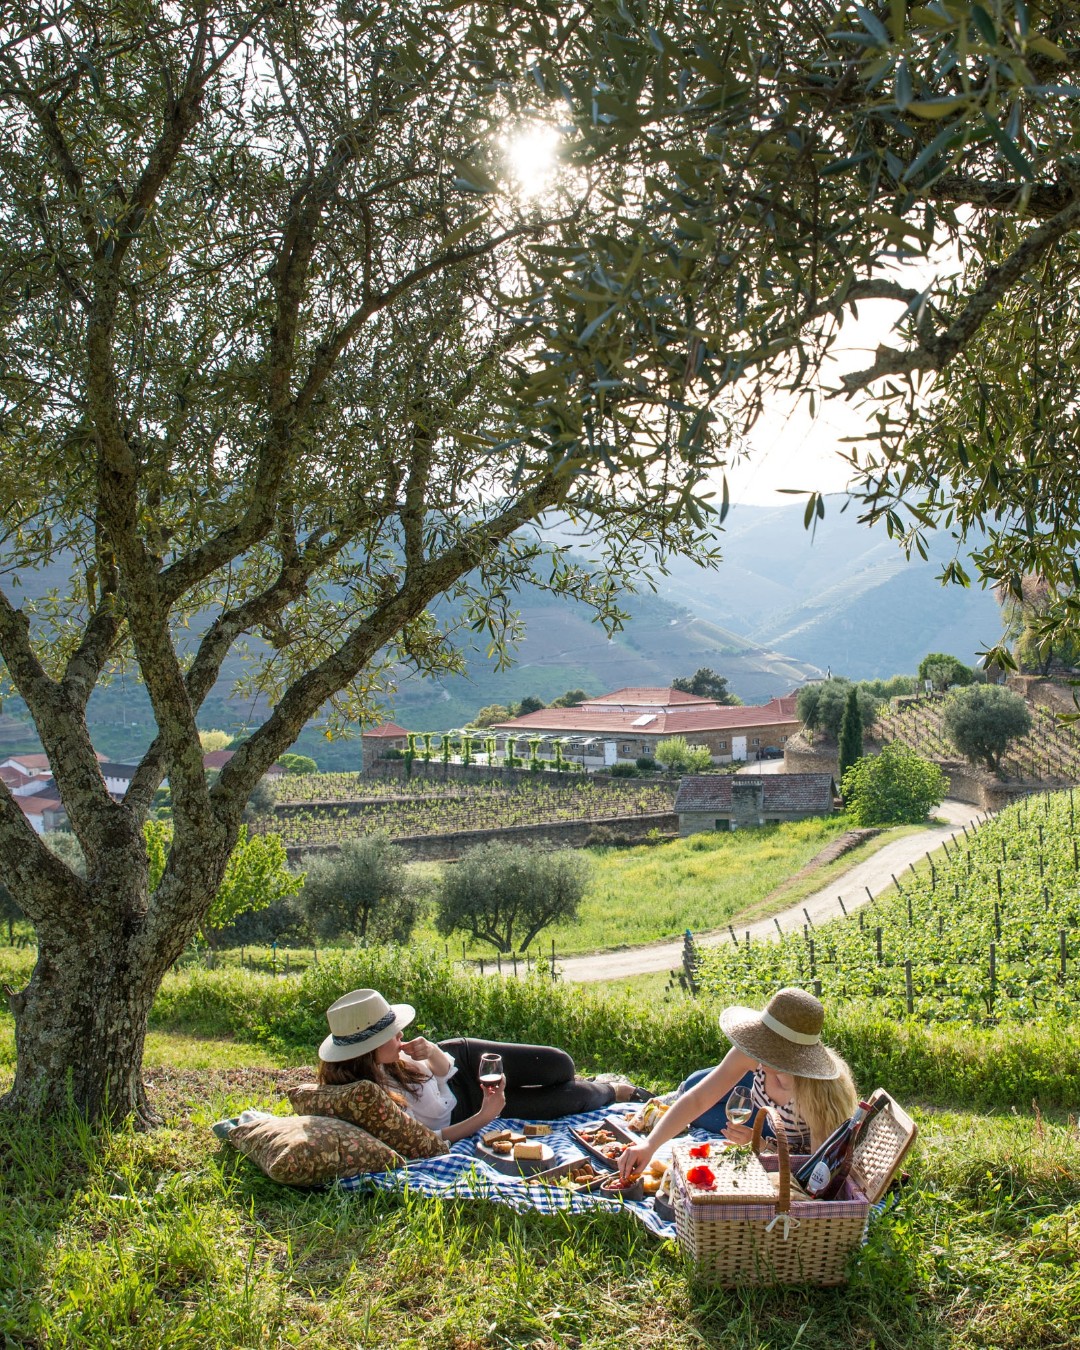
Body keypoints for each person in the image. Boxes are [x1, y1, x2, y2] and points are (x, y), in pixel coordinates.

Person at [317, 988, 645, 1143]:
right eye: (391, 1033)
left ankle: (595, 1081)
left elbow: (445, 1071)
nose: (401, 1035)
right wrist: (485, 1116)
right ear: (367, 1049)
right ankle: (615, 1089)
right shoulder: (369, 1097)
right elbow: (430, 1139)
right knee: (568, 1100)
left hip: (462, 1061)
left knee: (559, 1064)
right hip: (466, 1110)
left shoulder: (391, 1057)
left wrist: (431, 1052)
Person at [618, 987, 858, 1180]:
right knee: (692, 1088)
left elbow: (817, 1168)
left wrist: (763, 1146)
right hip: (767, 1124)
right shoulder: (755, 1054)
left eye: (767, 1045)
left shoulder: (817, 1093)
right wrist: (649, 1146)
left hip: (791, 1151)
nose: (759, 1054)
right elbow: (698, 1098)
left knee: (706, 1116)